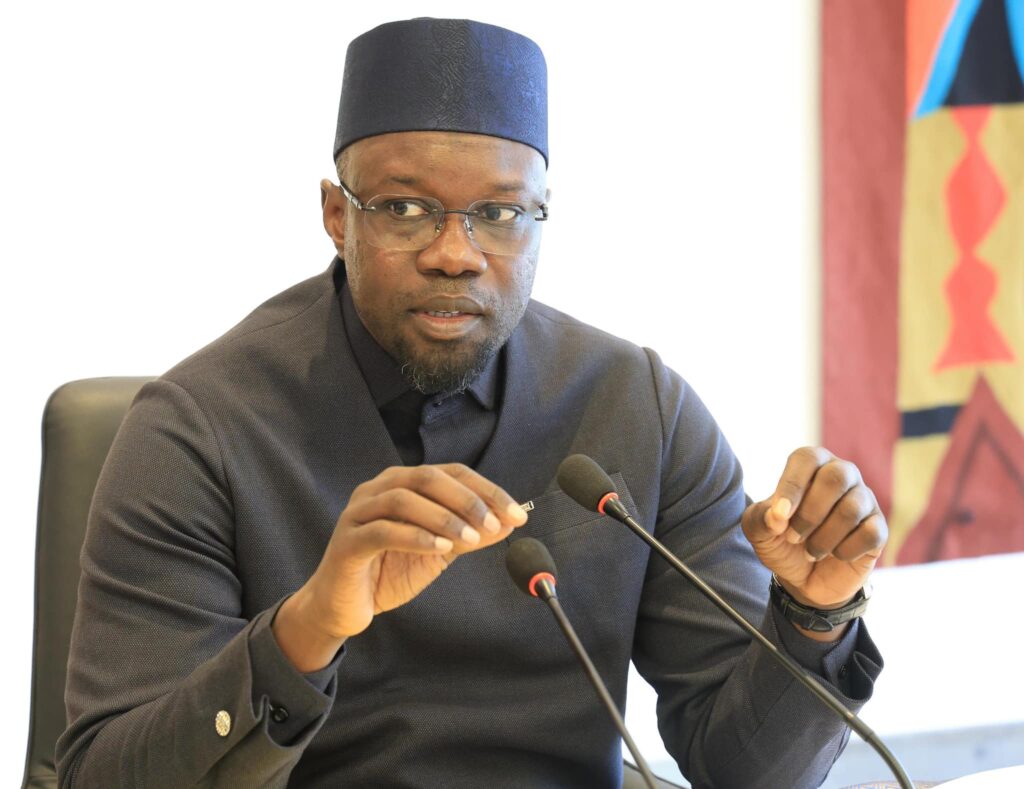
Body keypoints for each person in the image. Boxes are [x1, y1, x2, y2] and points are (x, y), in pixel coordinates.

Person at [57, 18, 885, 788]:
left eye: (499, 213)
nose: (455, 253)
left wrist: (814, 616)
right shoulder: (196, 429)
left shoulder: (638, 407)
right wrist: (306, 629)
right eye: (405, 208)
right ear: (337, 216)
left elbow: (745, 771)